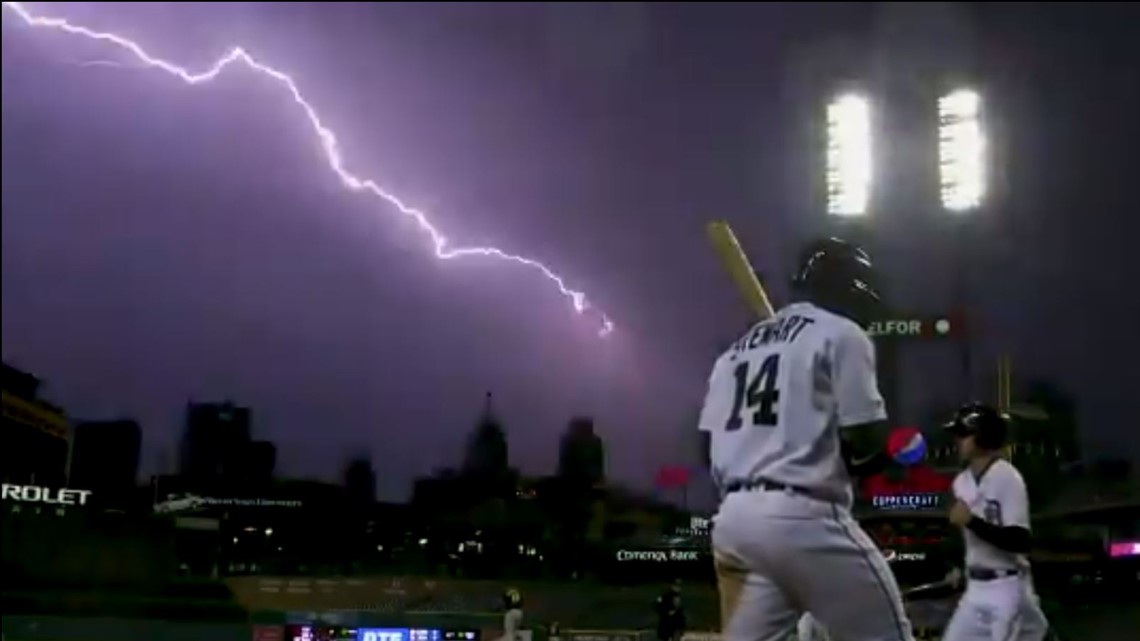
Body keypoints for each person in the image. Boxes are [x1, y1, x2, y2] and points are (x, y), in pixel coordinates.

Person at [699, 237, 913, 641]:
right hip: (802, 518)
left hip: (733, 521)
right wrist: (875, 460)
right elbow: (865, 440)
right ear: (847, 285)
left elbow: (704, 447)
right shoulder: (842, 333)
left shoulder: (733, 353)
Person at [941, 403, 1049, 641]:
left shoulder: (1007, 477)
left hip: (1007, 586)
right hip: (975, 588)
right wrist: (956, 566)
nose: (957, 440)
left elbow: (1020, 541)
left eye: (963, 434)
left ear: (982, 436)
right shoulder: (961, 482)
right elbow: (966, 539)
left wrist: (971, 521)